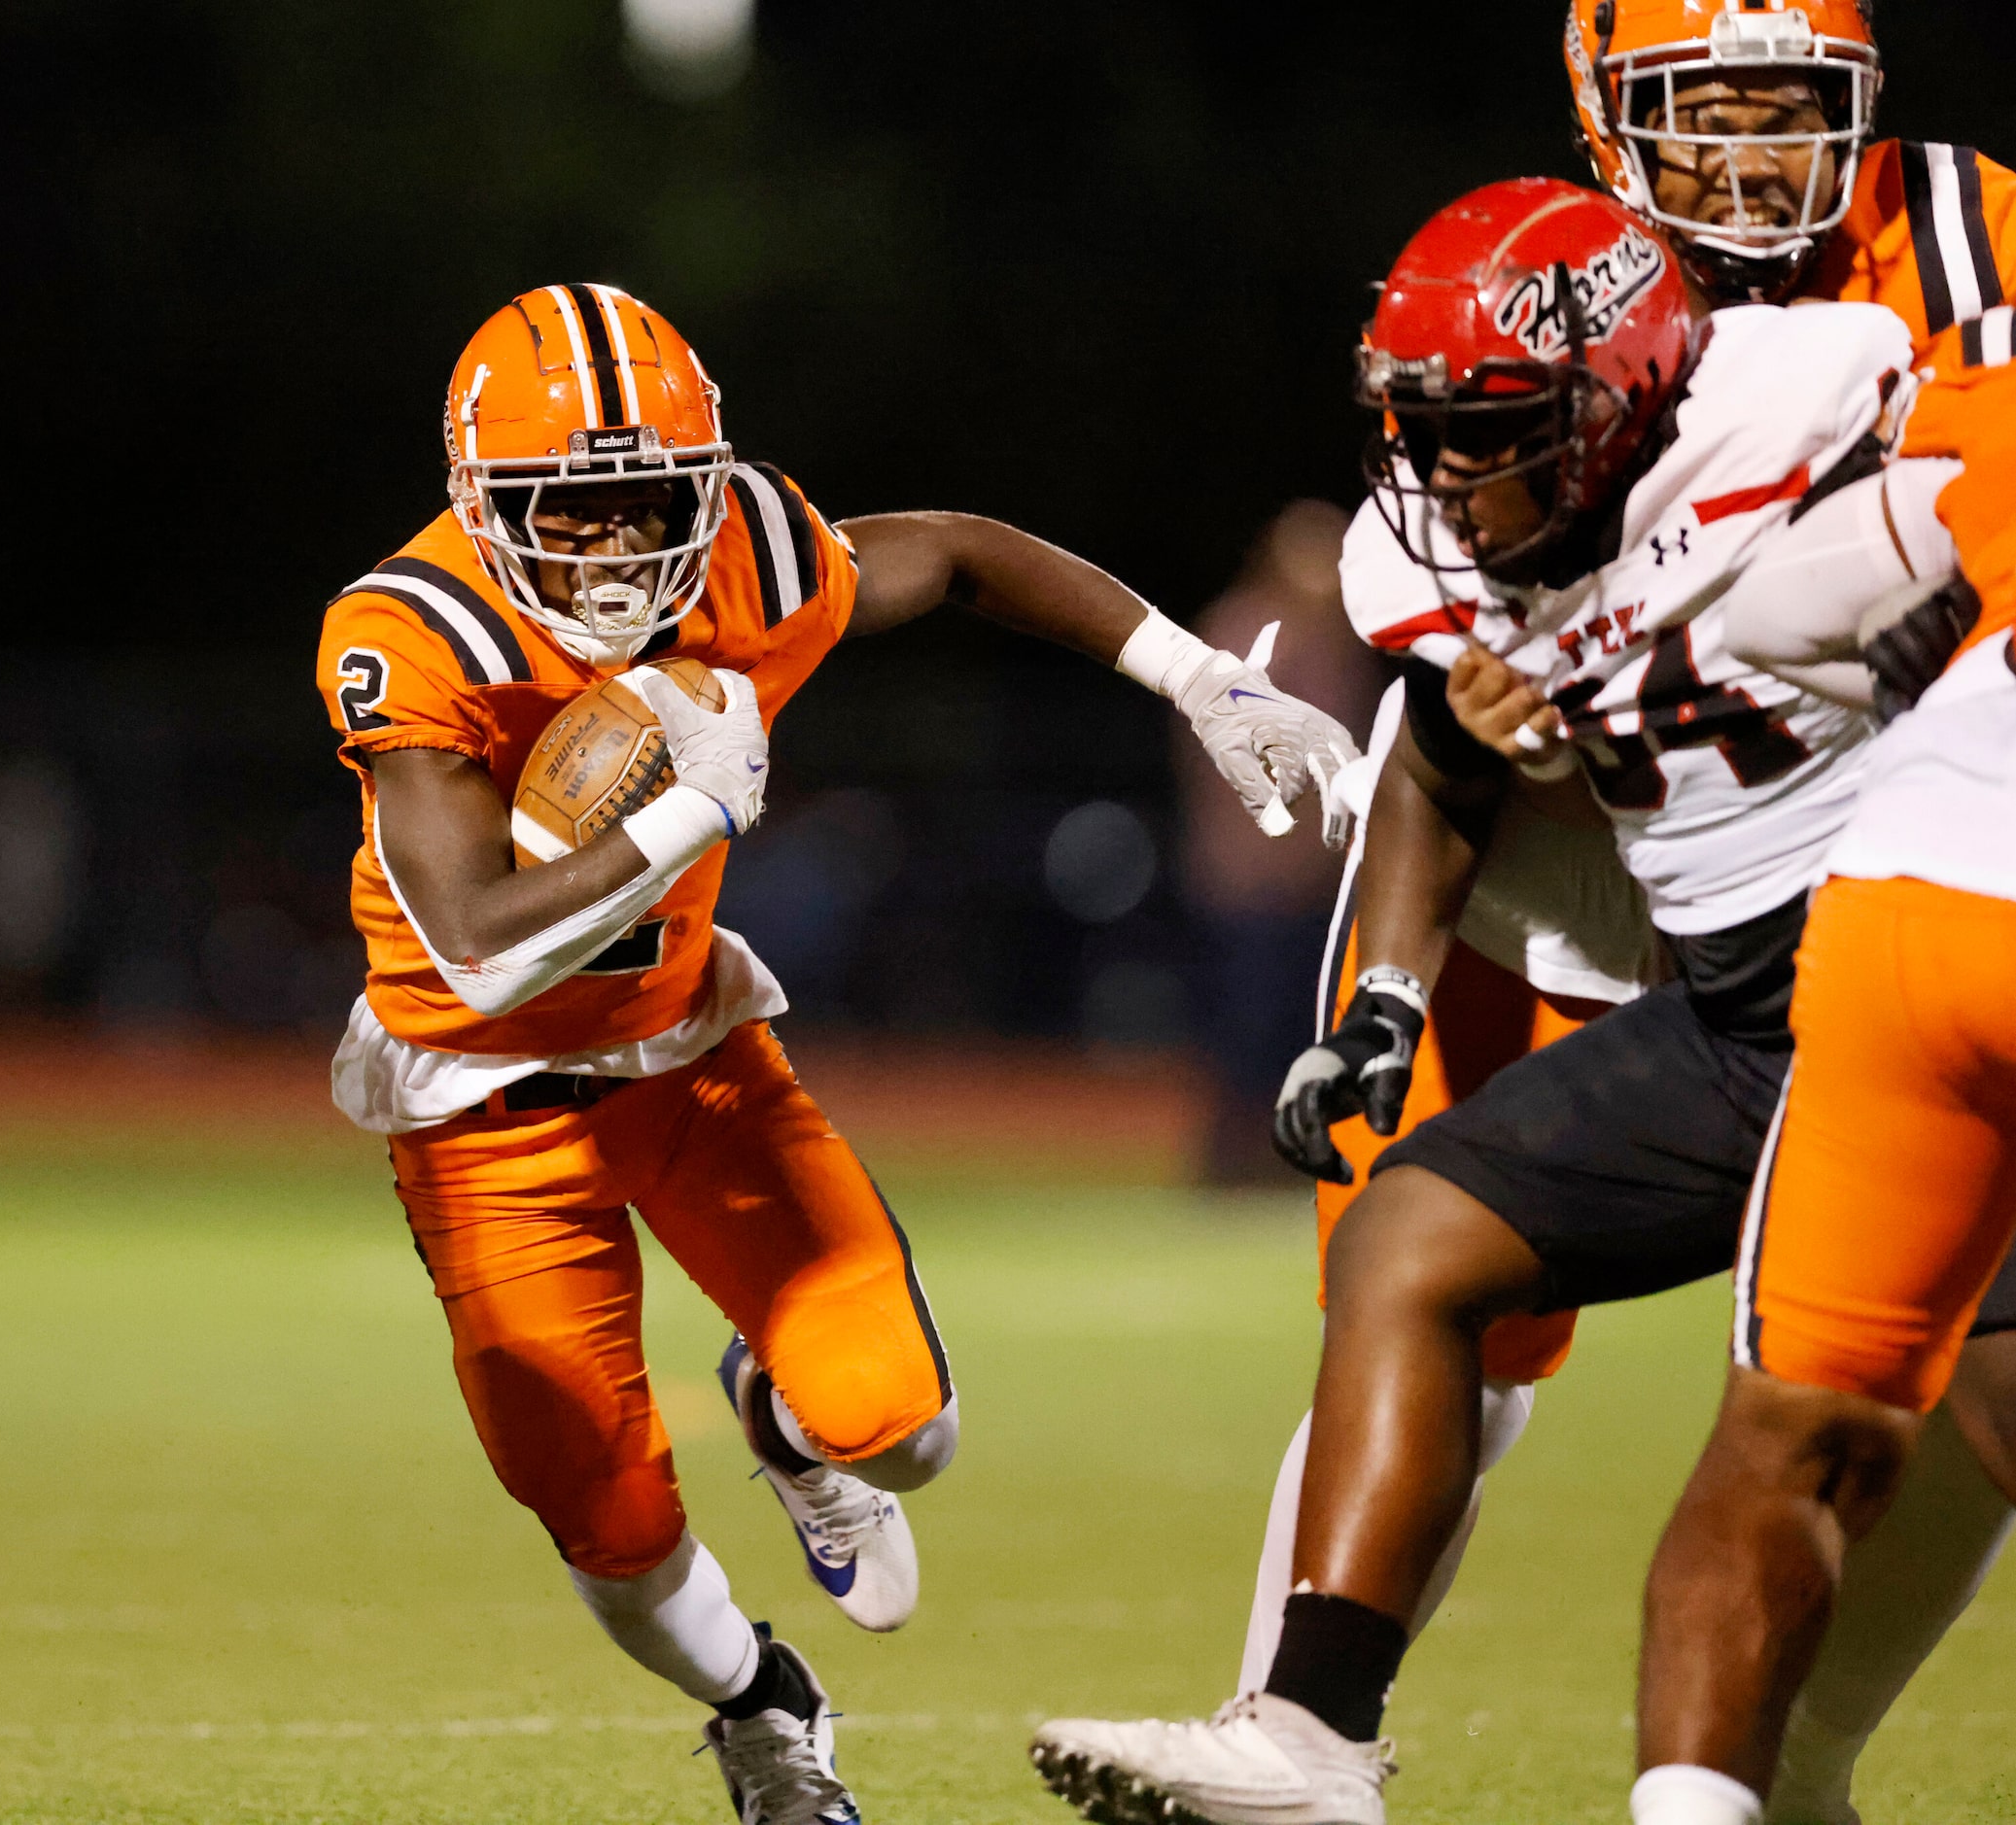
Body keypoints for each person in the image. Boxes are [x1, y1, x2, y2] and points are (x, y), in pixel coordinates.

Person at [1113, 4, 2016, 1812]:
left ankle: (1806, 1751)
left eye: (1792, 115)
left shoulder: (1888, 304)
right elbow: (1450, 713)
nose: (1753, 163)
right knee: (1418, 1261)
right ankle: (1291, 1727)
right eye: (1705, 114)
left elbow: (1957, 519)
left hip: (1906, 817)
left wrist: (1773, 603)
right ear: (1607, 115)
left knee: (1930, 1390)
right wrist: (1384, 973)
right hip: (1604, 850)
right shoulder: (1512, 325)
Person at [320, 283, 1358, 1824]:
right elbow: (472, 939)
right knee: (601, 1519)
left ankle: (785, 1417)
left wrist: (1192, 678)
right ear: (479, 502)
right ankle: (764, 1703)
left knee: (906, 1427)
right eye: (570, 510)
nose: (614, 545)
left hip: (681, 1052)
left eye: (642, 499)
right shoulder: (413, 628)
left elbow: (959, 551)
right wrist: (687, 808)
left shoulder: (744, 547)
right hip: (483, 1103)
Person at [1622, 362, 2016, 1825]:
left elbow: (1775, 613)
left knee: (1785, 1434)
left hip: (1911, 888)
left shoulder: (1995, 404)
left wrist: (1910, 667)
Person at [1172, 502, 1383, 1183]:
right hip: (1252, 876)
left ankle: (1284, 1154)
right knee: (1247, 1023)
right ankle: (1228, 1166)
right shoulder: (1243, 639)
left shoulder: (1339, 651)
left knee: (1305, 1018)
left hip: (1318, 879)